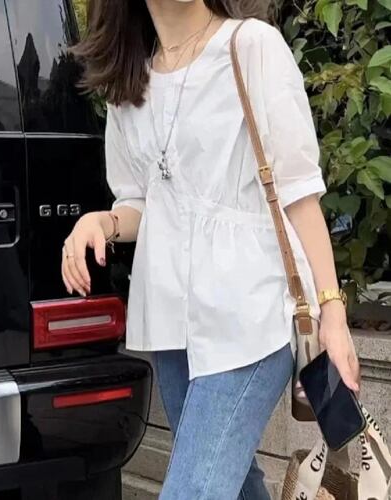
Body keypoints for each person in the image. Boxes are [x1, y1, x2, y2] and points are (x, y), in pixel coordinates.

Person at [61, 1, 361, 498]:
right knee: (233, 483)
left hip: (250, 314)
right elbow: (142, 203)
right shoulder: (128, 80)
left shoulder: (251, 46)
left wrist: (333, 312)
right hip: (170, 323)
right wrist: (103, 222)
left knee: (194, 490)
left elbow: (299, 194)